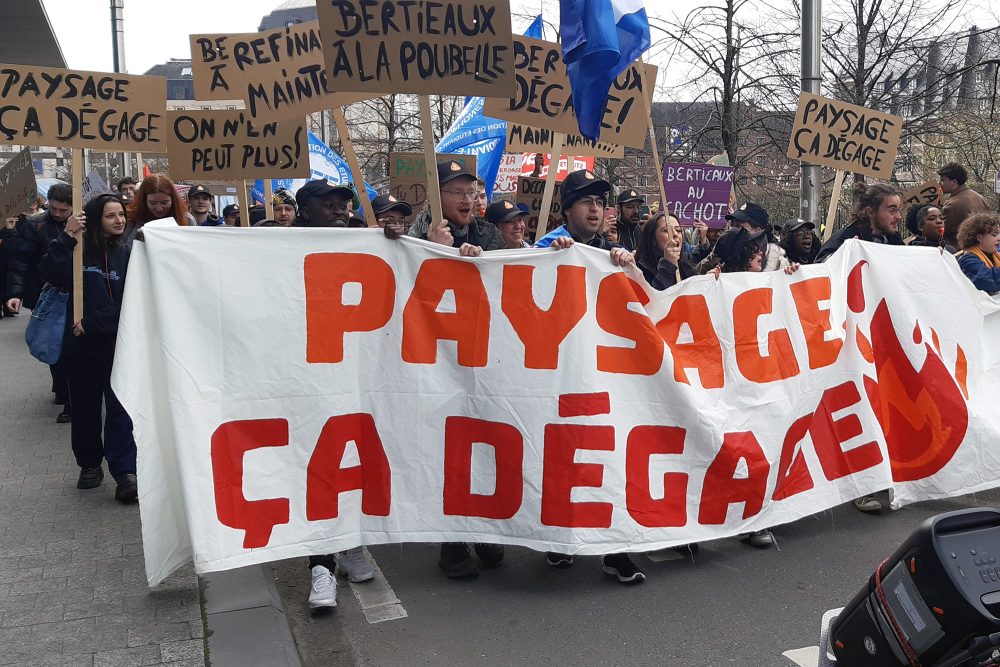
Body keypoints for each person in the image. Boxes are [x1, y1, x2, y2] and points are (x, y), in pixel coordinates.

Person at [538, 169, 646, 585]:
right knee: (562, 457)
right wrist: (552, 260)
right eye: (587, 202)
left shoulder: (611, 250)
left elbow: (643, 304)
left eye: (601, 202)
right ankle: (558, 540)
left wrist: (629, 269)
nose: (597, 209)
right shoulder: (547, 248)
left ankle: (613, 551)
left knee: (610, 459)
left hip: (605, 374)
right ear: (567, 210)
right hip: (561, 374)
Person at [36, 194, 138, 502]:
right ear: (95, 220)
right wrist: (66, 237)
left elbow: (132, 302)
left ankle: (124, 472)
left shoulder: (131, 254)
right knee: (84, 410)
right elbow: (50, 274)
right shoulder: (78, 251)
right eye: (111, 216)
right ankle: (89, 465)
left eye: (121, 214)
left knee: (120, 412)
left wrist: (94, 324)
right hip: (79, 349)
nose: (119, 220)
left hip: (117, 346)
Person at [5, 183, 76, 421]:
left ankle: (69, 397)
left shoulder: (84, 225)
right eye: (54, 208)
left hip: (76, 294)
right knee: (51, 341)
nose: (57, 214)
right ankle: (60, 385)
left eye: (63, 210)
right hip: (45, 295)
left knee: (69, 348)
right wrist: (14, 293)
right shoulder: (35, 225)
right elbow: (20, 263)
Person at [396, 161, 503, 254]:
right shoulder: (411, 237)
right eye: (457, 192)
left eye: (471, 192)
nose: (468, 200)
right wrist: (434, 250)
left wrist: (480, 262)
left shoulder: (488, 234)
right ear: (436, 196)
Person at [815, 184, 904, 263]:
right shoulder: (846, 238)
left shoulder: (895, 240)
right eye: (892, 210)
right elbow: (820, 270)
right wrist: (844, 254)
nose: (898, 217)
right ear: (871, 212)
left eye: (898, 210)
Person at [635, 212, 696, 290]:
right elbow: (654, 298)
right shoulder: (640, 270)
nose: (675, 234)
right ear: (653, 239)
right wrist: (668, 265)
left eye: (678, 230)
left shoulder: (685, 263)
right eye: (666, 230)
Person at [126, 174, 192, 245]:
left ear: (173, 200)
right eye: (152, 203)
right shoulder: (132, 219)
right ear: (144, 201)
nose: (159, 209)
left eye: (165, 203)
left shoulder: (186, 219)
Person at [939, 162, 990, 249]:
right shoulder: (981, 198)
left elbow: (940, 232)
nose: (940, 183)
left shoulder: (953, 204)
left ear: (954, 182)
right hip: (982, 250)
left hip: (959, 252)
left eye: (943, 180)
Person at [725, 202, 788, 271]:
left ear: (758, 231)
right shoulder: (728, 256)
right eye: (732, 226)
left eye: (739, 227)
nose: (733, 231)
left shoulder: (782, 264)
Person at [956, 213, 1000, 294]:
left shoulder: (994, 255)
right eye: (994, 234)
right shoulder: (967, 260)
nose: (999, 238)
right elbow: (986, 279)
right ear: (979, 237)